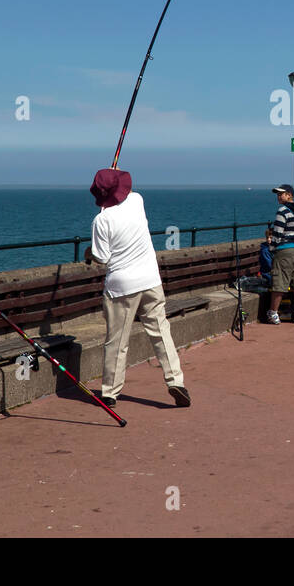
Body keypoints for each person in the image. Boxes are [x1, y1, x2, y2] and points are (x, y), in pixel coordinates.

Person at [85, 168, 190, 408]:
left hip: (122, 287)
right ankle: (176, 381)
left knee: (117, 341)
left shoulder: (101, 220)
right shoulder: (137, 200)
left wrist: (88, 252)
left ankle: (110, 392)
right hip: (151, 280)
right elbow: (124, 192)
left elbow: (101, 257)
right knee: (161, 333)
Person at [267, 183, 294, 322]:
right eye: (278, 194)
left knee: (280, 282)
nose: (278, 197)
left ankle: (273, 313)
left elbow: (278, 233)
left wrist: (272, 248)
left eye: (281, 194)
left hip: (283, 250)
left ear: (289, 195)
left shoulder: (283, 211)